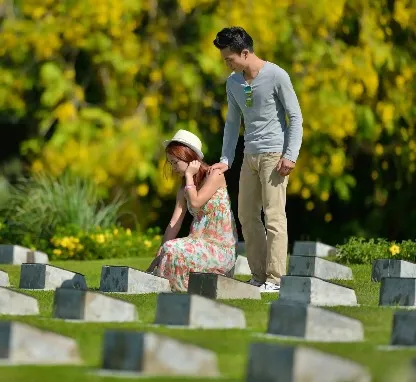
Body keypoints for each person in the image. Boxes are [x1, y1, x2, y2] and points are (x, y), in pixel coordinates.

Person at [210, 27, 303, 292]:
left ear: (245, 52)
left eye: (230, 58)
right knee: (247, 215)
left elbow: (295, 117)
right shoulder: (233, 82)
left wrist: (290, 155)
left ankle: (275, 279)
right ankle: (259, 276)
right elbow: (232, 122)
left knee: (274, 216)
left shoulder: (276, 76)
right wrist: (226, 159)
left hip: (275, 155)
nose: (227, 63)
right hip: (249, 155)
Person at [147, 129, 238, 292]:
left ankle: (177, 285)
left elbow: (195, 203)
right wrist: (160, 252)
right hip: (198, 244)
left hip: (220, 250)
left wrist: (189, 175)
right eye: (171, 163)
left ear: (189, 158)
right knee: (169, 249)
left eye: (175, 162)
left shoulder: (215, 175)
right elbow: (174, 223)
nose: (173, 167)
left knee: (173, 249)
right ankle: (165, 284)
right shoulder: (184, 190)